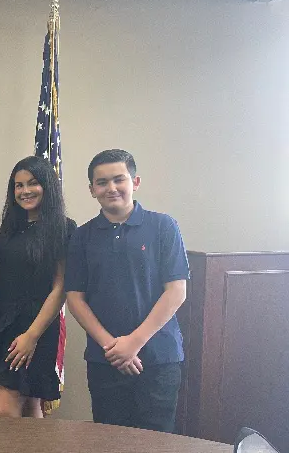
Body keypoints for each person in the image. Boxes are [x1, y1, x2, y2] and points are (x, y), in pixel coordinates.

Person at [65, 149, 189, 433]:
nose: (111, 188)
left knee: (155, 443)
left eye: (119, 179)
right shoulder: (82, 237)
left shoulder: (163, 226)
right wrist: (112, 347)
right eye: (102, 182)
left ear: (135, 182)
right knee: (109, 441)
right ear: (92, 189)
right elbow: (75, 298)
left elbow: (176, 291)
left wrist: (133, 342)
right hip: (104, 360)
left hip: (158, 359)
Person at [0, 156, 76, 418]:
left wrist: (31, 336)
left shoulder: (62, 229)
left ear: (47, 186)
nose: (25, 191)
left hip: (37, 329)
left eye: (33, 183)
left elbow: (60, 289)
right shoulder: (5, 233)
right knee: (31, 403)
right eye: (18, 185)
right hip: (5, 328)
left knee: (4, 408)